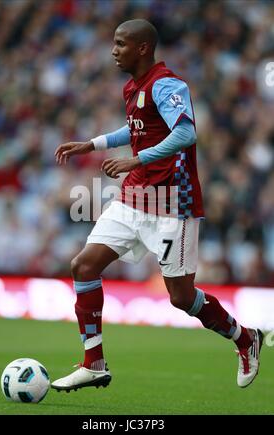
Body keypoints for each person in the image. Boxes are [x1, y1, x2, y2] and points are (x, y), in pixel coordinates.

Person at [51, 19, 263, 392]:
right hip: (135, 196)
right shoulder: (133, 87)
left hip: (172, 202)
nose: (114, 50)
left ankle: (244, 338)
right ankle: (93, 362)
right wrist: (93, 143)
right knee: (83, 265)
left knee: (181, 297)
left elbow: (186, 132)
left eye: (121, 44)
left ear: (143, 47)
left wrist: (137, 160)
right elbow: (135, 130)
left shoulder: (168, 84)